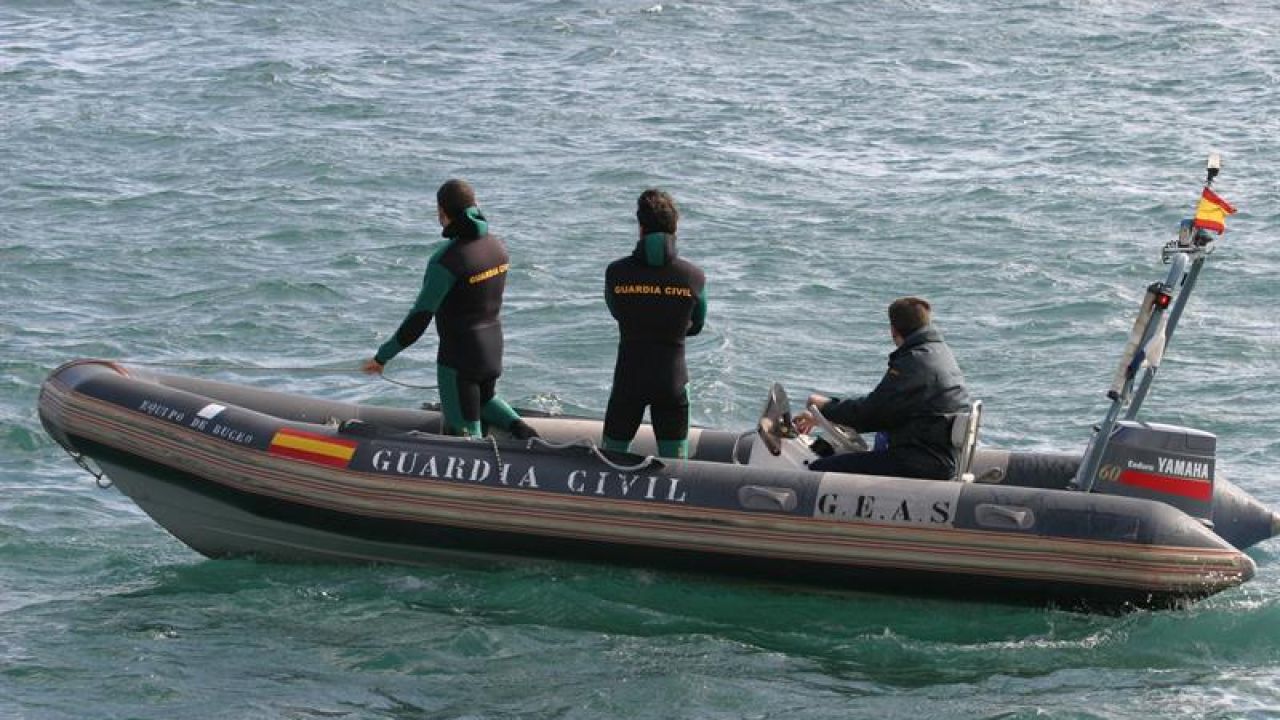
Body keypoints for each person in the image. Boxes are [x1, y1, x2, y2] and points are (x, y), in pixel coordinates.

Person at [362, 179, 537, 440]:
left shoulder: (446, 260)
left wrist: (382, 357)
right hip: (492, 349)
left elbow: (418, 319)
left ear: (442, 213)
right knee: (485, 399)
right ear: (475, 205)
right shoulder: (497, 247)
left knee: (464, 433)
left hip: (458, 359)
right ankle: (526, 434)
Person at [793, 297, 970, 480]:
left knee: (817, 470)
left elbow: (871, 414)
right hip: (936, 454)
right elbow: (889, 409)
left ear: (893, 329)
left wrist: (825, 406)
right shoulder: (940, 353)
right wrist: (824, 419)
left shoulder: (914, 362)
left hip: (920, 461)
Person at [602, 189, 707, 459]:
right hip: (671, 380)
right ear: (676, 228)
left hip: (629, 379)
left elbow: (617, 312)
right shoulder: (694, 276)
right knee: (675, 470)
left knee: (609, 461)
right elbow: (696, 325)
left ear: (640, 228)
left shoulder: (616, 272)